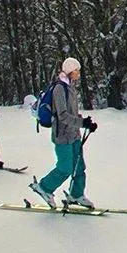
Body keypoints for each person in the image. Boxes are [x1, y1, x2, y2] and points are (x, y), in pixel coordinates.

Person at [29, 57, 98, 208]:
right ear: (70, 70)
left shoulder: (70, 87)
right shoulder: (60, 88)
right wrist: (81, 123)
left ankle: (76, 194)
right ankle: (44, 187)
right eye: (77, 70)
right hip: (62, 135)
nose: (79, 73)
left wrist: (86, 123)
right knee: (65, 168)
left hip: (74, 135)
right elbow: (63, 116)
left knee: (79, 167)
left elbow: (72, 114)